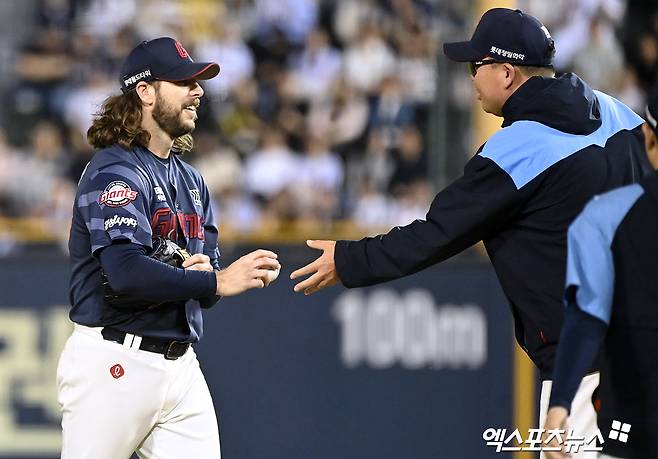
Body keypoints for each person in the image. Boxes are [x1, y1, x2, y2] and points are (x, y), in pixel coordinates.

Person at [290, 8, 652, 456]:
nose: (470, 77)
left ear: (506, 72)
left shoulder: (517, 149)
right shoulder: (619, 114)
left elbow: (435, 234)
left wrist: (348, 260)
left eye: (475, 66)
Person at [58, 37, 280, 459]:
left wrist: (204, 278)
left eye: (198, 82)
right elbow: (124, 273)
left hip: (180, 367)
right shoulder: (114, 170)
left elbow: (201, 289)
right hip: (114, 363)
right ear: (145, 92)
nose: (198, 91)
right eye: (183, 81)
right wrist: (213, 279)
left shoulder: (193, 183)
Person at [543, 88, 658, 458]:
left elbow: (586, 318)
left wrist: (560, 404)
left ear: (648, 138)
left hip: (634, 430)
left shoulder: (605, 217)